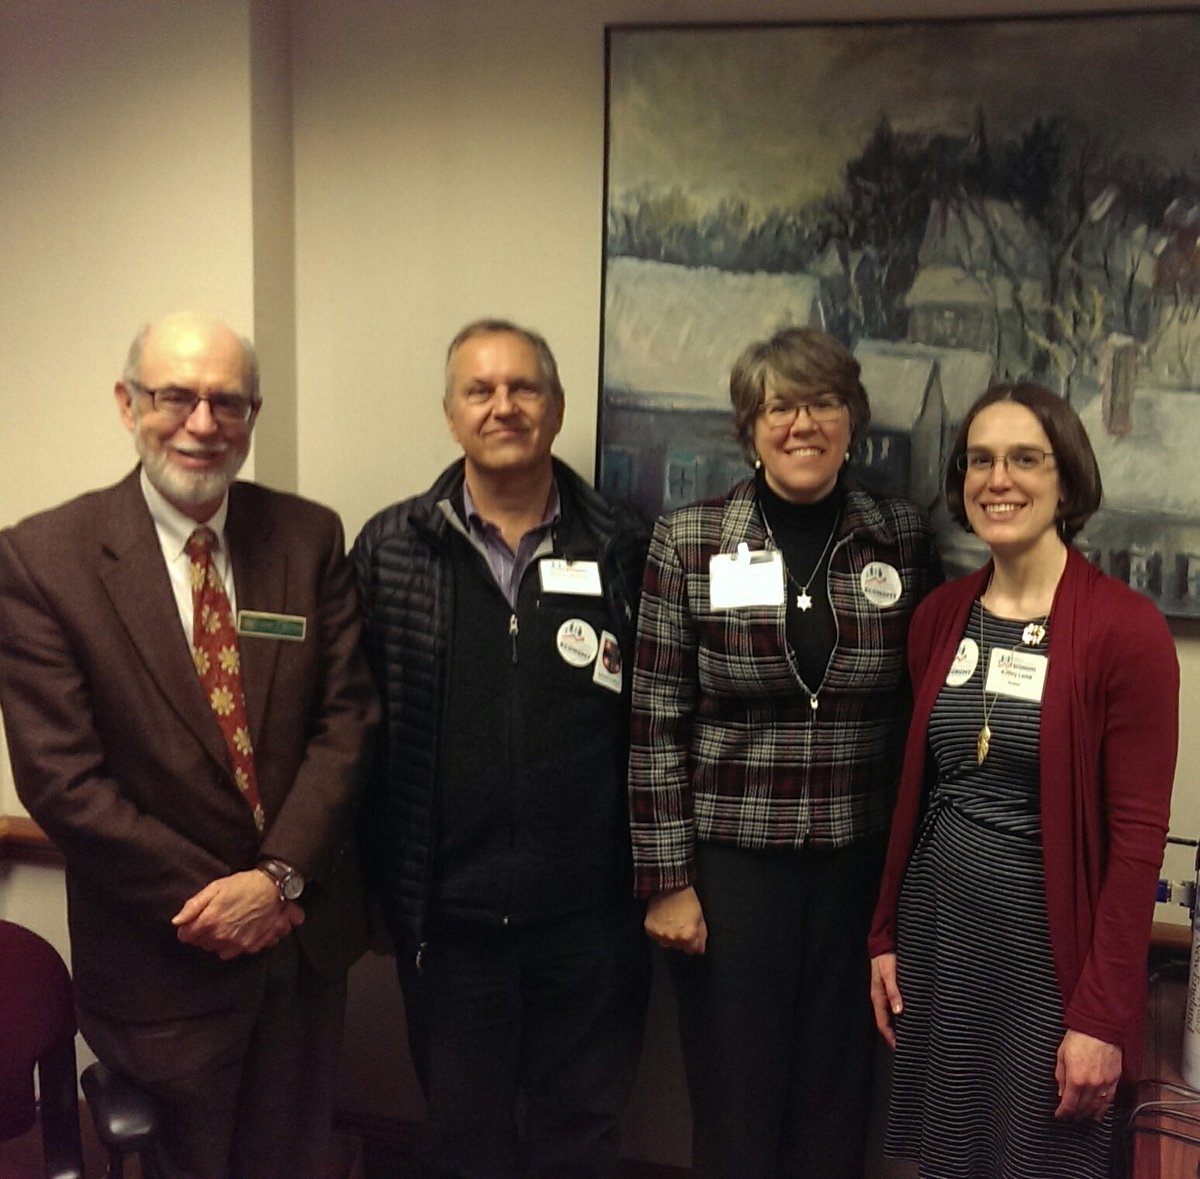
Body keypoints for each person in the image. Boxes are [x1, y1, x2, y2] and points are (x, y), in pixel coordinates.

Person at [0, 312, 380, 1179]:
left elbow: (347, 719)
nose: (203, 423)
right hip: (163, 965)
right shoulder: (42, 559)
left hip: (301, 953)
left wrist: (277, 881)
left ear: (253, 414)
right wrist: (225, 904)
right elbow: (62, 781)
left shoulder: (308, 536)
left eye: (227, 401)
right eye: (176, 396)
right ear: (127, 403)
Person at [629, 326, 941, 1179]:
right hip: (731, 878)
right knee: (736, 1107)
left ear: (852, 420)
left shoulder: (900, 537)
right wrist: (666, 880)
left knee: (838, 1107)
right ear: (751, 426)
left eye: (824, 403)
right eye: (780, 407)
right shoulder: (690, 539)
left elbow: (919, 709)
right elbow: (654, 717)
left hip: (856, 870)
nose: (803, 424)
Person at [353, 318, 651, 1179]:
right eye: (479, 390)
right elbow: (354, 728)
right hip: (450, 925)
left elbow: (665, 717)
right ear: (451, 414)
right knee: (463, 1142)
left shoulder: (627, 545)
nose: (503, 406)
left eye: (524, 388)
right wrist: (371, 889)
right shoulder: (392, 547)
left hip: (594, 921)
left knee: (581, 1138)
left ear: (556, 408)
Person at [869, 382, 1179, 1178]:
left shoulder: (1126, 630)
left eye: (1024, 459)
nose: (997, 479)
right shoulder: (940, 616)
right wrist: (885, 934)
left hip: (1049, 961)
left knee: (1040, 1158)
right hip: (943, 940)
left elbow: (1137, 843)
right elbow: (919, 796)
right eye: (980, 460)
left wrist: (1101, 1017)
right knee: (947, 1158)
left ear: (1066, 481)